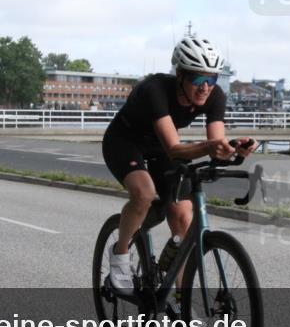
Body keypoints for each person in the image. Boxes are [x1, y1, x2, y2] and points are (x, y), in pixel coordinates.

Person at [102, 35, 255, 293]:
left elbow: (215, 144)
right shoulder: (155, 90)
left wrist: (233, 149)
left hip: (159, 148)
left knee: (183, 217)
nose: (205, 87)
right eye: (198, 79)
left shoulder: (214, 96)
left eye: (212, 79)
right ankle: (120, 255)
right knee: (144, 193)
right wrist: (210, 147)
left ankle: (182, 300)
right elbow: (175, 149)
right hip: (125, 141)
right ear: (181, 75)